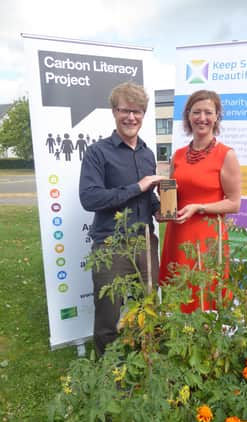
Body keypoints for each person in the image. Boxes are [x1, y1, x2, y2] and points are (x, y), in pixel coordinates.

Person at [79, 82, 165, 357]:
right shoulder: (97, 153)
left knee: (147, 307)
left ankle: (145, 361)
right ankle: (107, 375)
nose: (131, 117)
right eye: (125, 110)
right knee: (108, 316)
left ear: (143, 114)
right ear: (114, 111)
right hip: (111, 246)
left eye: (137, 111)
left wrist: (158, 209)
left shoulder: (147, 153)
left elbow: (147, 196)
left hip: (144, 243)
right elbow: (90, 198)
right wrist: (137, 187)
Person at [159, 89, 241, 313]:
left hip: (207, 236)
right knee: (178, 287)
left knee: (205, 290)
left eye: (208, 112)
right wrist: (164, 206)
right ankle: (179, 341)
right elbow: (174, 195)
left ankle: (207, 345)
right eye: (196, 112)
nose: (202, 118)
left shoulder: (226, 155)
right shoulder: (177, 155)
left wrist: (200, 207)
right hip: (178, 234)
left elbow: (234, 203)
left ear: (216, 117)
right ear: (188, 116)